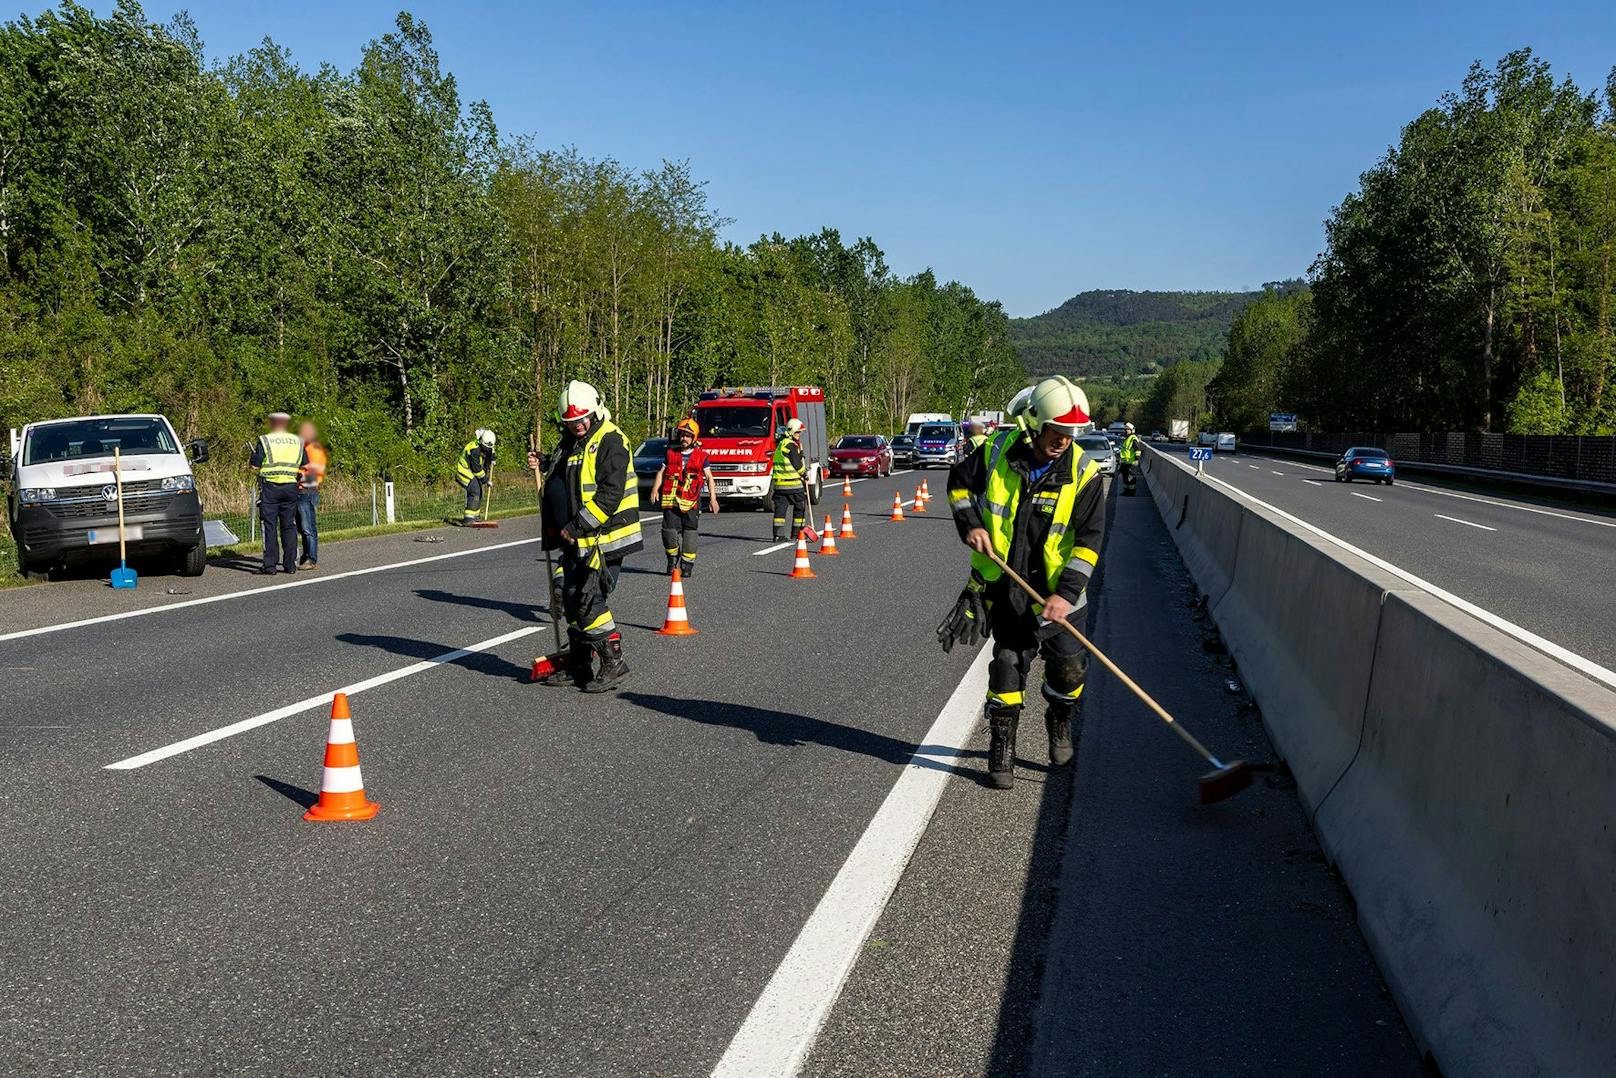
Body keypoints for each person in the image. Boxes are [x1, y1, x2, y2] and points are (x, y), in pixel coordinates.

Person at [939, 375, 1106, 789]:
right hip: (1009, 592)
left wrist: (1064, 595)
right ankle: (1002, 749)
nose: (1063, 440)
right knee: (1008, 668)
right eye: (1056, 431)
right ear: (1034, 425)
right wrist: (971, 524)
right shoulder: (996, 452)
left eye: (1070, 433)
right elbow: (958, 486)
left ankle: (1060, 721)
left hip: (1060, 600)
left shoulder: (1085, 473)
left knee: (1069, 671)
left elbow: (1088, 543)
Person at [526, 381, 643, 692]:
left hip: (605, 538)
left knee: (589, 600)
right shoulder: (572, 441)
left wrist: (576, 525)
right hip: (578, 539)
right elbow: (567, 472)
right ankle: (579, 664)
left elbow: (610, 495)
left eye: (581, 420)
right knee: (573, 600)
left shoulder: (611, 440)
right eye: (570, 422)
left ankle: (613, 661)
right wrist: (545, 461)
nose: (576, 426)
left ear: (595, 411)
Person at [649, 418, 718, 577]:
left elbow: (709, 477)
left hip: (691, 502)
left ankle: (687, 565)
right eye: (682, 435)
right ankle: (672, 559)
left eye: (688, 436)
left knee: (690, 533)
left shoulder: (702, 456)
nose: (684, 439)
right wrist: (655, 489)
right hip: (671, 501)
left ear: (694, 438)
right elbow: (661, 472)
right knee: (668, 532)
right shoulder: (671, 454)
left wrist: (713, 499)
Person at [249, 411, 306, 576]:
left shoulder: (265, 440)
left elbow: (254, 466)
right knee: (289, 526)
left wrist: (253, 458)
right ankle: (290, 565)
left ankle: (270, 566)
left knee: (270, 526)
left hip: (271, 488)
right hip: (290, 487)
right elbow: (305, 464)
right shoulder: (298, 441)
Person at [770, 417, 809, 542]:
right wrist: (804, 475)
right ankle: (797, 534)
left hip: (779, 485)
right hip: (793, 485)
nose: (799, 434)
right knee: (800, 508)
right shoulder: (791, 446)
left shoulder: (781, 444)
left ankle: (778, 536)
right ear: (792, 432)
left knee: (780, 511)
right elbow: (797, 465)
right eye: (798, 432)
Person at [297, 421, 327, 569]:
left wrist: (295, 472)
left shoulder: (313, 449)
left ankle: (311, 558)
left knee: (308, 527)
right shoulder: (306, 448)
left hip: (307, 490)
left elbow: (312, 473)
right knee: (303, 528)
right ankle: (306, 556)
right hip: (302, 490)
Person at [455, 428, 497, 525]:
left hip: (472, 472)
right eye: (485, 447)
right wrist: (486, 480)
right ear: (481, 443)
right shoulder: (474, 449)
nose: (487, 449)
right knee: (474, 491)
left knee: (479, 491)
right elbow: (477, 469)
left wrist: (493, 459)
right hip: (464, 471)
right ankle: (468, 519)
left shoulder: (487, 444)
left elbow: (491, 451)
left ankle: (475, 517)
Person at [1117, 422, 1140, 495]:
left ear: (1132, 430)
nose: (1126, 431)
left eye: (1128, 429)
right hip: (1125, 462)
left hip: (1131, 462)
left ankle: (1131, 492)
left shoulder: (1133, 438)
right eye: (1126, 429)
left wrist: (1136, 459)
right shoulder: (1127, 438)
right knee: (1125, 478)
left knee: (1131, 478)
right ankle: (1126, 491)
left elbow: (1137, 450)